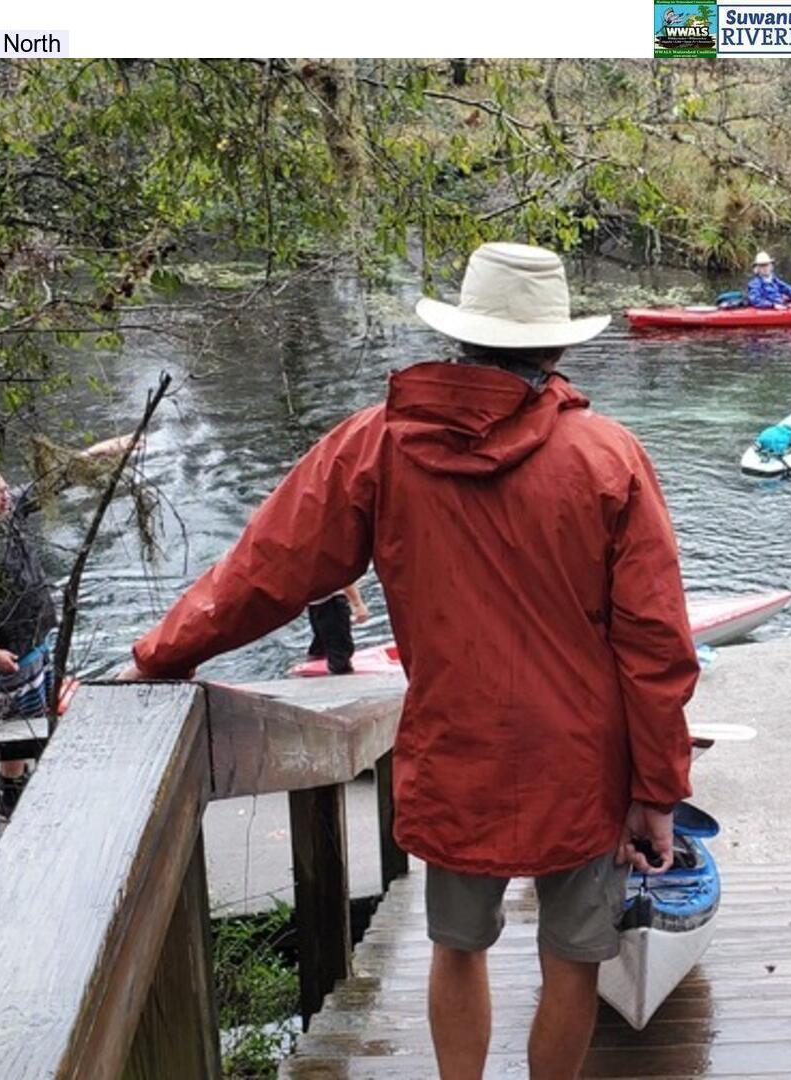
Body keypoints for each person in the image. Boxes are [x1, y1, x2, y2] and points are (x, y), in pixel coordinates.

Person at [118, 242, 697, 1080]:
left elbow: (264, 570)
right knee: (573, 957)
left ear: (462, 337)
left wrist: (160, 656)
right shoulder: (608, 458)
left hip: (456, 745)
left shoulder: (378, 444)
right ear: (558, 345)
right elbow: (656, 647)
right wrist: (657, 788)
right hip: (582, 758)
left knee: (456, 945)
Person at [0, 432, 139, 822]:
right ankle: (11, 801)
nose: (7, 497)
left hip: (39, 636)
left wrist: (106, 450)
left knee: (39, 713)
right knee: (17, 728)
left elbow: (58, 476)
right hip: (9, 653)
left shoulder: (10, 514)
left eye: (5, 490)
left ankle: (27, 787)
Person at [304, 581, 371, 674]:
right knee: (339, 656)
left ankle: (314, 672)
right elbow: (344, 577)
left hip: (315, 603)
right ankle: (342, 679)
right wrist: (357, 604)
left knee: (320, 648)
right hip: (332, 602)